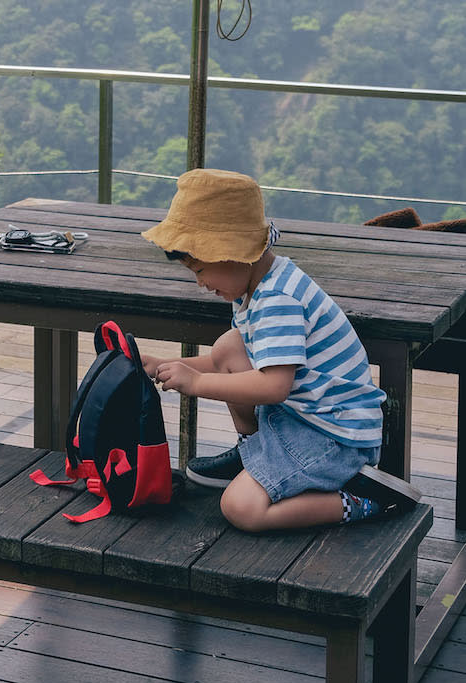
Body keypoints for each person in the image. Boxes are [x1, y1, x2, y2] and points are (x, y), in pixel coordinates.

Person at [140, 168, 420, 532]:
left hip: (334, 438)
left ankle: (365, 502)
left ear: (234, 253)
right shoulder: (255, 285)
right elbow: (226, 363)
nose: (201, 283)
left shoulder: (278, 299)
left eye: (201, 269)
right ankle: (254, 455)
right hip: (304, 417)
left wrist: (194, 384)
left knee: (241, 508)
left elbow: (273, 387)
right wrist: (166, 363)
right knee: (229, 347)